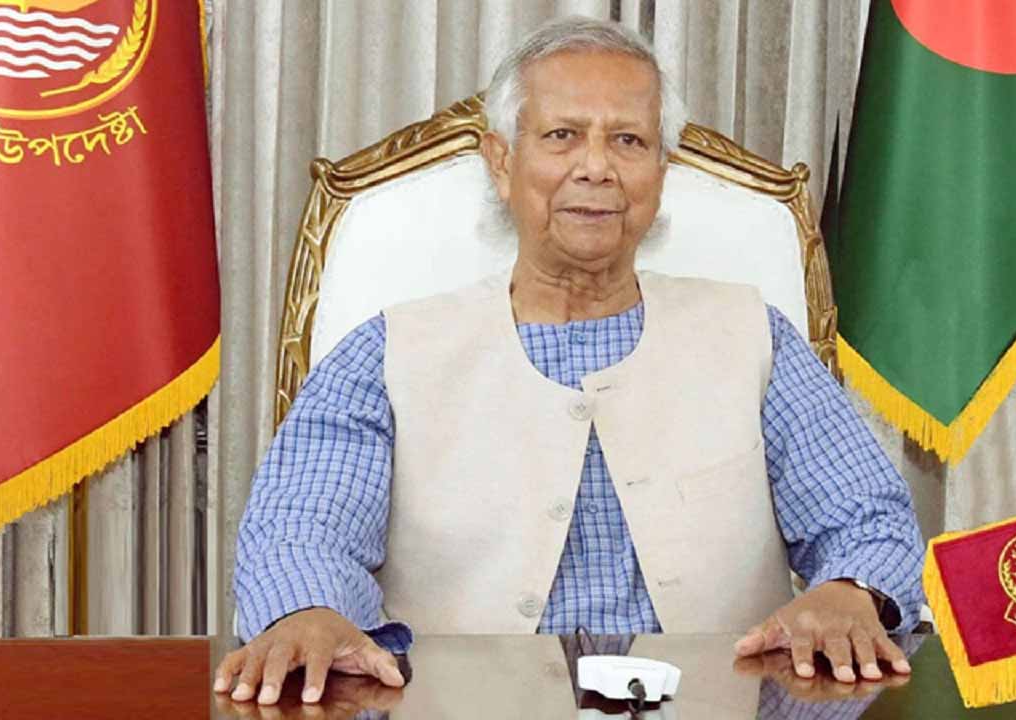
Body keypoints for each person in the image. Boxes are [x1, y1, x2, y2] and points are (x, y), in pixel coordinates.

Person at [215, 16, 925, 707]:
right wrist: (308, 610)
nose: (596, 167)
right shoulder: (388, 351)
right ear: (502, 161)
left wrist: (850, 592)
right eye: (562, 136)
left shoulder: (753, 336)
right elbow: (301, 528)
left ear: (661, 171)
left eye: (629, 140)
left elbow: (866, 517)